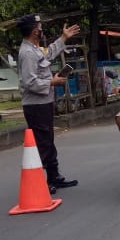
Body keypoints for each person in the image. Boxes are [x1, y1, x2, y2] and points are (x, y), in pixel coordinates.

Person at [17, 13, 81, 193]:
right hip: (35, 105)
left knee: (48, 140)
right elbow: (29, 82)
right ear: (34, 31)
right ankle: (42, 183)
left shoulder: (35, 49)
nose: (42, 30)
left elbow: (50, 53)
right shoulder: (27, 53)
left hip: (44, 102)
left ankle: (54, 177)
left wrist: (63, 38)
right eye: (40, 27)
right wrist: (52, 82)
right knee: (42, 143)